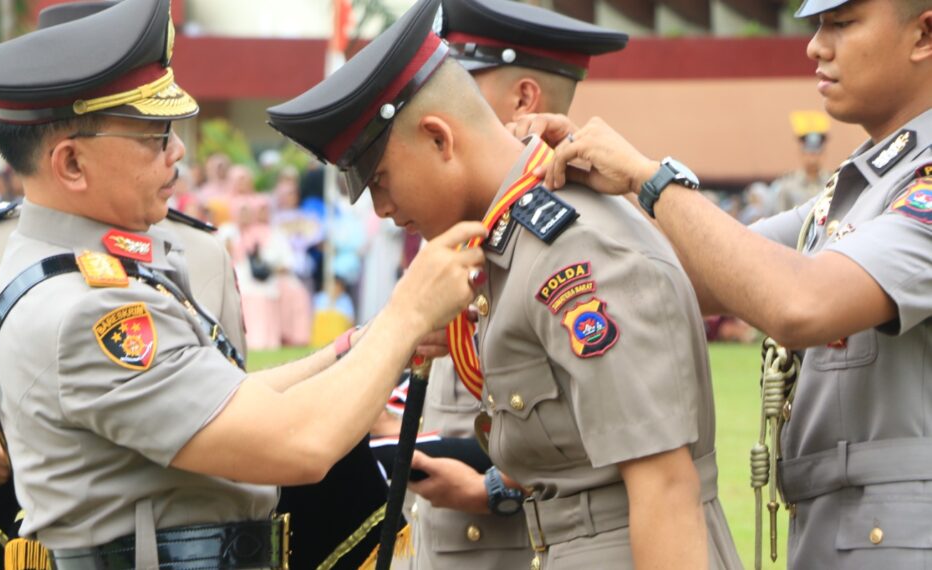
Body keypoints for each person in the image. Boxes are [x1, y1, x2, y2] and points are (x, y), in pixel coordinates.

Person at [0, 2, 482, 569]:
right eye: (155, 136)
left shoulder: (85, 274)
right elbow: (300, 443)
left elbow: (228, 397)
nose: (177, 151)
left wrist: (360, 346)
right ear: (71, 164)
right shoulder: (89, 313)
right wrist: (406, 316)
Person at [267, 1, 740, 568]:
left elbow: (666, 491)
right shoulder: (506, 250)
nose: (382, 210)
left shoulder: (574, 257)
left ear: (439, 139)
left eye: (382, 180)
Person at [534, 0, 932, 567]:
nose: (815, 46)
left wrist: (650, 180)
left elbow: (799, 302)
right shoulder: (862, 187)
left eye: (841, 24)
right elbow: (694, 274)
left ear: (924, 34)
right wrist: (592, 193)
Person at [395, 3, 630, 568]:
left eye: (460, 86)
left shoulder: (570, 240)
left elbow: (619, 437)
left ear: (524, 100)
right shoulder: (467, 221)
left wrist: (494, 490)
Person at [772, 110, 833, 212]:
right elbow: (780, 216)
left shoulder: (833, 184)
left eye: (816, 152)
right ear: (800, 152)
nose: (813, 158)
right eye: (809, 152)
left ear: (824, 153)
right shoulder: (788, 186)